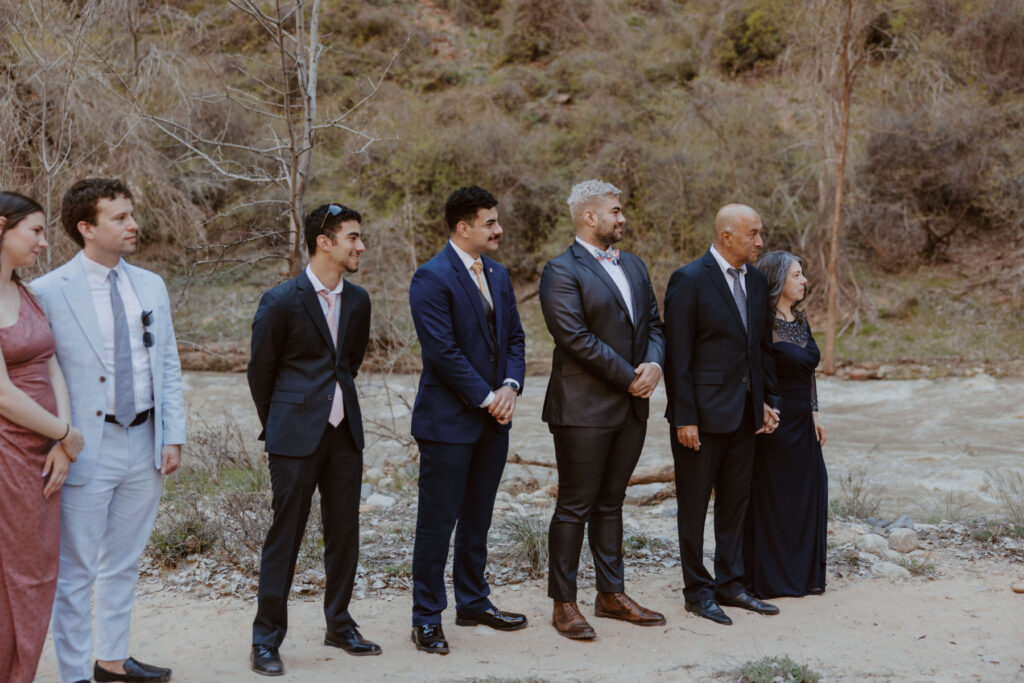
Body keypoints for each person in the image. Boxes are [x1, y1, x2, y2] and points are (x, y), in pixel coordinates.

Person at [32, 178, 186, 683]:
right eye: (119, 217)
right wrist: (56, 439)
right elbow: (38, 375)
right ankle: (74, 674)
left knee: (125, 559)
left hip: (144, 442)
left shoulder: (151, 285)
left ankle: (112, 661)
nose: (133, 224)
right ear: (86, 228)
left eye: (131, 214)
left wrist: (172, 434)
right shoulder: (49, 291)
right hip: (82, 447)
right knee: (75, 569)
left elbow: (167, 364)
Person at [247, 203, 377, 676]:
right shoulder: (280, 300)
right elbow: (261, 372)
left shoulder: (359, 301)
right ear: (325, 242)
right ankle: (266, 640)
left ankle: (339, 625)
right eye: (353, 238)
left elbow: (351, 363)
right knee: (286, 535)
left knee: (345, 534)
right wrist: (283, 420)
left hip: (345, 435)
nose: (360, 246)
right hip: (293, 437)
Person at [539, 180, 666, 640]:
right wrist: (631, 376)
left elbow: (654, 323)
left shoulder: (633, 265)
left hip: (630, 408)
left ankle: (611, 594)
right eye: (615, 211)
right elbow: (573, 338)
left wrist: (653, 364)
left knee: (612, 503)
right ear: (589, 216)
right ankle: (564, 603)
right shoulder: (560, 270)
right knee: (575, 505)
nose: (622, 218)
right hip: (582, 408)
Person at [408, 185, 527, 655]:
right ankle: (426, 619)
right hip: (447, 423)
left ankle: (474, 601)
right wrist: (486, 396)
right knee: (437, 524)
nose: (498, 230)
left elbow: (515, 339)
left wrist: (511, 387)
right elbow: (443, 352)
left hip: (493, 421)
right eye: (490, 222)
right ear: (464, 228)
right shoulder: (430, 278)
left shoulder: (498, 274)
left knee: (478, 518)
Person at [662, 204, 781, 626]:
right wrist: (683, 417)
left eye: (760, 233)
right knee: (693, 508)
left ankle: (731, 584)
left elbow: (760, 350)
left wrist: (768, 403)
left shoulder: (757, 280)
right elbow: (679, 356)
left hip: (745, 416)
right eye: (753, 234)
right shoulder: (689, 280)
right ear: (726, 235)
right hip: (701, 418)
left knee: (735, 505)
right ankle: (697, 591)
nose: (760, 242)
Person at [0, 192, 84, 683]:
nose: (44, 241)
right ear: (2, 228)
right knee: (11, 574)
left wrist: (63, 443)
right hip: (7, 452)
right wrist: (68, 433)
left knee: (38, 572)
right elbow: (3, 395)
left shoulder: (25, 291)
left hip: (46, 453)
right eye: (34, 230)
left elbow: (52, 364)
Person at [743, 250, 827, 598]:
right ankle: (769, 578)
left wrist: (815, 411)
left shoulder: (799, 320)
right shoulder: (761, 321)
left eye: (803, 275)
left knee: (810, 491)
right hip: (773, 423)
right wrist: (760, 405)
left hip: (803, 422)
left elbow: (807, 371)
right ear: (778, 279)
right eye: (796, 275)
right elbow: (751, 368)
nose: (804, 280)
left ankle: (803, 575)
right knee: (775, 498)